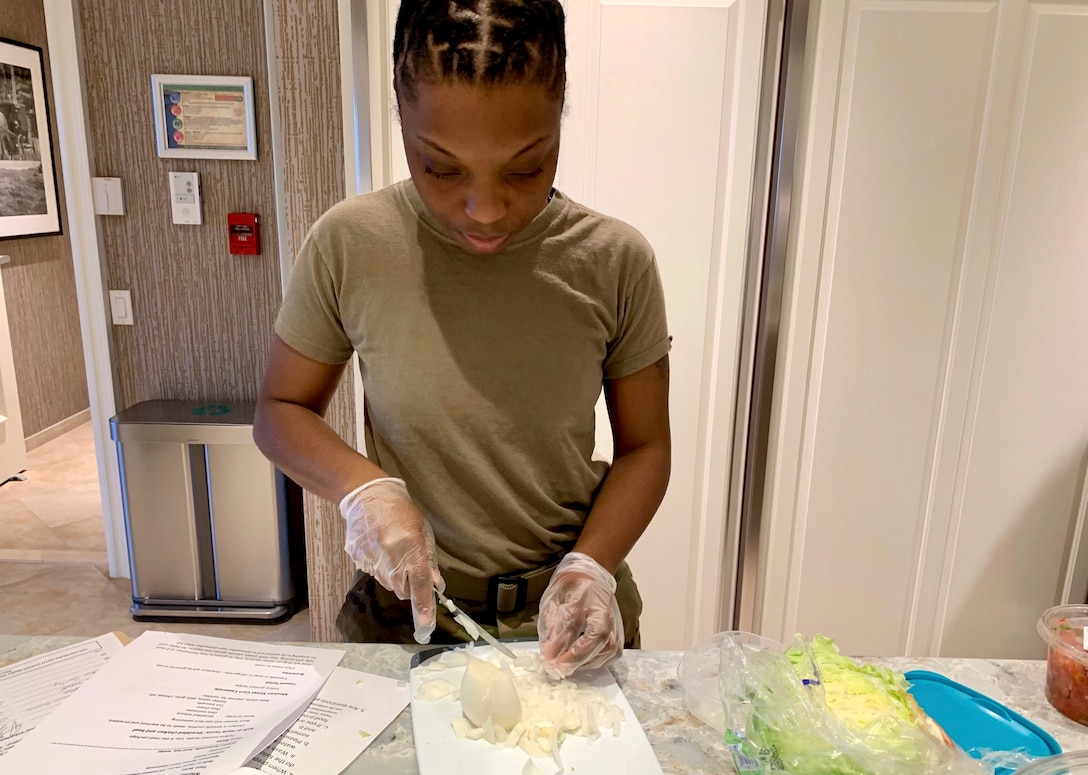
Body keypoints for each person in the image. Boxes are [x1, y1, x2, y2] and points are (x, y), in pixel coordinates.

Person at [254, 0, 671, 679]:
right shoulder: (349, 244)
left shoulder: (615, 260)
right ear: (399, 111)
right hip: (402, 622)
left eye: (526, 167)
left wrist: (592, 565)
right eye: (441, 168)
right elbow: (278, 411)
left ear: (561, 111)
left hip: (564, 626)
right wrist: (364, 488)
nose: (485, 209)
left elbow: (646, 446)